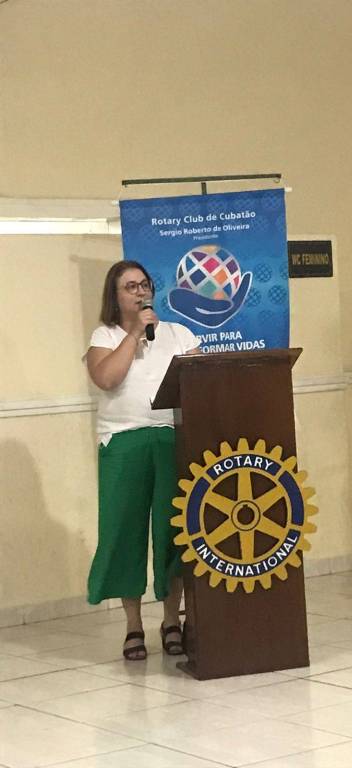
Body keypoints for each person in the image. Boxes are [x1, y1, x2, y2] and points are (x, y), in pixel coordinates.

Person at [86, 260, 201, 660]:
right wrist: (134, 334)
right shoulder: (105, 335)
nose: (140, 292)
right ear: (115, 296)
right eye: (130, 286)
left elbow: (201, 382)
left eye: (144, 285)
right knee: (124, 531)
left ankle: (171, 620)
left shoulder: (179, 333)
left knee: (173, 532)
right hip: (123, 442)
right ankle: (133, 625)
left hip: (172, 439)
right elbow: (107, 379)